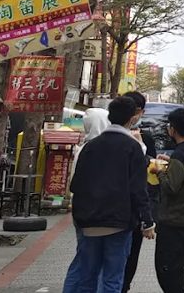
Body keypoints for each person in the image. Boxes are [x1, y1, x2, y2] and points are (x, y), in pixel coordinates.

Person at [63, 97, 154, 293]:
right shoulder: (133, 147)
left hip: (89, 222)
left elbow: (76, 185)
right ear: (132, 119)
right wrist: (147, 222)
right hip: (118, 223)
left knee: (87, 277)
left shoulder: (90, 146)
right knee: (112, 280)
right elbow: (138, 189)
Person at [153, 108, 184, 293]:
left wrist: (160, 172)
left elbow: (171, 187)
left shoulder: (180, 154)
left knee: (166, 268)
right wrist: (170, 162)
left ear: (172, 129)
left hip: (172, 217)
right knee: (177, 266)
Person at [120, 91, 156, 293]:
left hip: (113, 211)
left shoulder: (145, 137)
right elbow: (142, 182)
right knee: (126, 257)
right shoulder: (136, 140)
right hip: (128, 211)